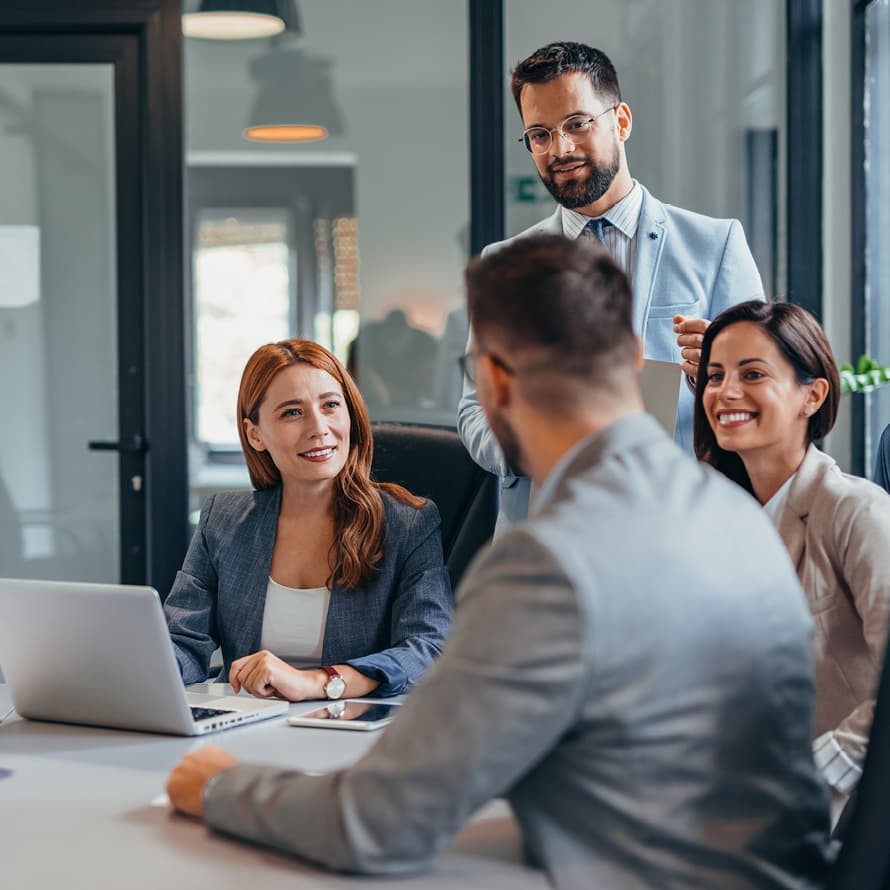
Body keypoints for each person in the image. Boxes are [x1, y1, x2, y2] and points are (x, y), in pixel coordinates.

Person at [167, 237, 829, 889]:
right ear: (631, 356)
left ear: (492, 382)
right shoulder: (739, 515)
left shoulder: (549, 561)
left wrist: (220, 786)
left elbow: (373, 825)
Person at [458, 41, 764, 531]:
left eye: (577, 124)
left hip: (681, 529)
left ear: (620, 121)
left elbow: (761, 400)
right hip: (548, 535)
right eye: (539, 134)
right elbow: (474, 409)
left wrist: (715, 374)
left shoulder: (716, 245)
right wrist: (533, 444)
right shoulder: (505, 265)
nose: (560, 149)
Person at [164, 339, 453, 701]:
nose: (318, 427)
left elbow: (428, 650)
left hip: (351, 730)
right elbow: (184, 645)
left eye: (331, 405)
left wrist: (319, 681)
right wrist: (121, 671)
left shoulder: (407, 522)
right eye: (291, 412)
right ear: (255, 434)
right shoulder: (222, 520)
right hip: (245, 725)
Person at [694, 299, 890, 821]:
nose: (726, 392)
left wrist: (808, 775)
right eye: (714, 375)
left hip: (839, 815)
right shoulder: (710, 521)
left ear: (813, 395)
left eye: (752, 373)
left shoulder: (857, 511)